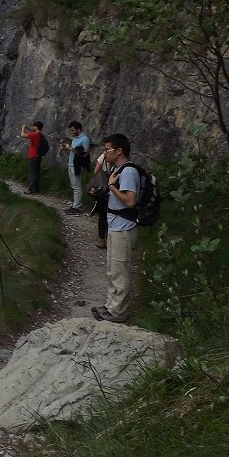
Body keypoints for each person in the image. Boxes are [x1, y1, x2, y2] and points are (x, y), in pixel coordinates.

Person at [92, 134, 139, 323]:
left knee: (120, 269)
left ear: (119, 151)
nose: (105, 153)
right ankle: (110, 305)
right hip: (115, 225)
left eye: (107, 150)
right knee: (112, 268)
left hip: (124, 227)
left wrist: (111, 187)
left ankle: (119, 312)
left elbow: (130, 200)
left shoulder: (128, 171)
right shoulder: (117, 169)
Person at [59, 120, 91, 214]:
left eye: (73, 130)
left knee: (77, 185)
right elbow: (73, 152)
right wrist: (66, 148)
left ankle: (77, 207)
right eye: (71, 130)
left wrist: (70, 148)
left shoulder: (84, 139)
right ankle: (75, 203)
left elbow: (84, 154)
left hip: (77, 165)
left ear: (79, 129)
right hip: (71, 163)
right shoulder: (75, 139)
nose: (71, 132)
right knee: (74, 185)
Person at [88, 147, 114, 248]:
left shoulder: (103, 157)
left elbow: (95, 172)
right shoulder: (116, 159)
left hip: (102, 190)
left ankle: (101, 239)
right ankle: (109, 240)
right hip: (112, 189)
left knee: (102, 216)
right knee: (111, 216)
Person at [20, 121, 44, 194]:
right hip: (38, 156)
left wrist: (23, 128)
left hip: (33, 156)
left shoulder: (35, 135)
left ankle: (32, 189)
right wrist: (27, 129)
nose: (32, 127)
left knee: (33, 173)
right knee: (36, 173)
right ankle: (37, 189)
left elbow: (22, 135)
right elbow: (30, 134)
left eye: (34, 126)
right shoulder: (40, 134)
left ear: (36, 127)